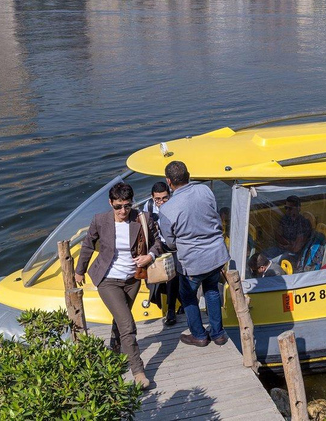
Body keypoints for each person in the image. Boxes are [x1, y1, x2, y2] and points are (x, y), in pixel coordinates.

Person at [74, 182, 161, 389]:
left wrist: (149, 256)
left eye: (127, 206)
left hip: (133, 280)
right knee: (127, 325)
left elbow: (158, 242)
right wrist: (79, 271)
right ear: (110, 203)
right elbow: (87, 245)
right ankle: (138, 371)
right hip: (107, 279)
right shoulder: (100, 220)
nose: (123, 211)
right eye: (118, 206)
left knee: (121, 319)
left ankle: (114, 350)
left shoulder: (142, 219)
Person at [158, 161, 230, 348]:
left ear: (168, 181)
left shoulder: (166, 209)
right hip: (216, 254)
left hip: (192, 261)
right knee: (212, 290)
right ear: (188, 175)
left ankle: (199, 334)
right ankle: (218, 333)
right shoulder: (205, 191)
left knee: (189, 296)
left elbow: (170, 241)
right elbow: (214, 214)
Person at [143, 181, 179, 326]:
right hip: (158, 244)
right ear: (152, 198)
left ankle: (171, 310)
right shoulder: (149, 207)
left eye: (165, 198)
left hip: (174, 246)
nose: (161, 202)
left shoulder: (176, 206)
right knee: (151, 279)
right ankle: (169, 301)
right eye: (158, 199)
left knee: (172, 277)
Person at [262, 195, 312, 263]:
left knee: (267, 262)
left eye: (290, 208)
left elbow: (296, 249)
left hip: (295, 255)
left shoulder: (303, 223)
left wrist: (285, 246)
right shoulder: (285, 218)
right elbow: (278, 235)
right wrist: (289, 244)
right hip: (283, 249)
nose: (287, 211)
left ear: (298, 208)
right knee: (262, 256)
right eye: (286, 208)